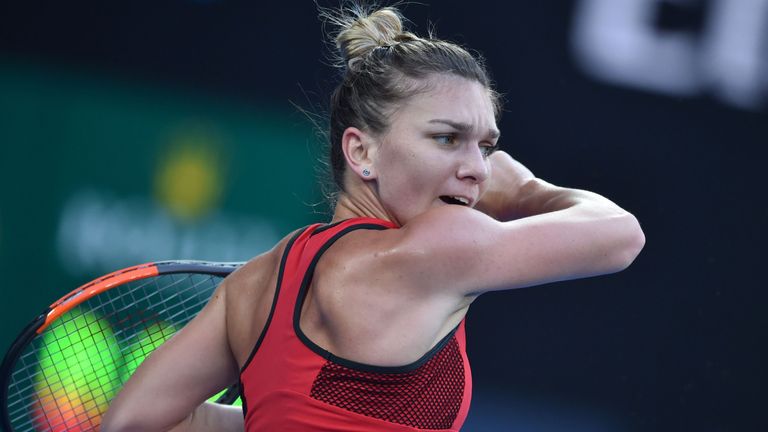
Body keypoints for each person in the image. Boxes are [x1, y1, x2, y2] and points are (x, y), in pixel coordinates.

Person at [102, 4, 645, 432]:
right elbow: (621, 235)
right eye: (447, 139)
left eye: (485, 146)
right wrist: (524, 190)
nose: (478, 169)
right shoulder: (436, 248)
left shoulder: (252, 284)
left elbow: (131, 422)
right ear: (362, 152)